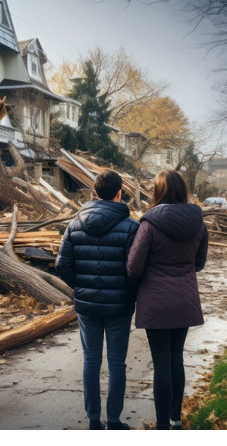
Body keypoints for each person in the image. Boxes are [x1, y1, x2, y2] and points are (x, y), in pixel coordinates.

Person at [55, 170, 139, 431]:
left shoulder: (74, 224)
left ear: (94, 193)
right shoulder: (132, 227)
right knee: (116, 364)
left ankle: (93, 421)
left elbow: (61, 265)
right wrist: (127, 292)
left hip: (87, 305)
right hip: (119, 307)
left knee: (91, 361)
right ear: (119, 193)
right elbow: (135, 269)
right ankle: (113, 421)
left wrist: (81, 286)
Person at [126, 169, 208, 431]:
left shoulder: (149, 224)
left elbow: (133, 266)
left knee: (161, 362)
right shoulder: (199, 223)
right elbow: (199, 263)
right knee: (176, 359)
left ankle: (162, 426)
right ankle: (176, 420)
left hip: (156, 300)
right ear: (182, 190)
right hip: (184, 298)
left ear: (158, 191)